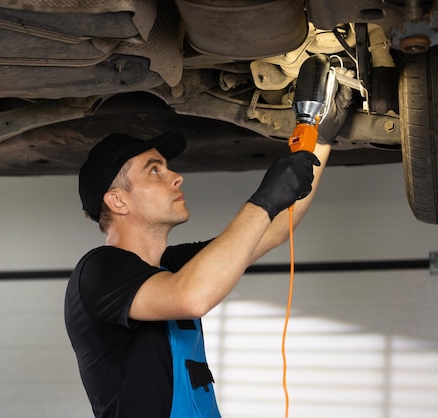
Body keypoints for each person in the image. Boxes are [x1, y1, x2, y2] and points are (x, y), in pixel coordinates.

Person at [64, 81, 353, 417]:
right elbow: (190, 298)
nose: (176, 177)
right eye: (154, 170)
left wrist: (321, 137)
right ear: (118, 201)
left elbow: (271, 232)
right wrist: (264, 199)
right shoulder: (100, 271)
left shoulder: (170, 266)